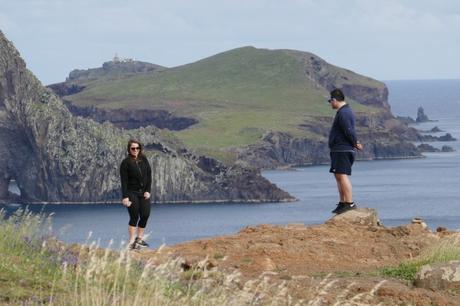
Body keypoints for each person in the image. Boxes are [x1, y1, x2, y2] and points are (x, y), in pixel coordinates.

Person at [327, 89, 363, 214]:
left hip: (343, 149)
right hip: (339, 149)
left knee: (342, 175)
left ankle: (349, 203)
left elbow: (348, 130)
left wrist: (355, 142)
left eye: (330, 101)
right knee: (338, 175)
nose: (330, 104)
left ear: (334, 100)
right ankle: (343, 203)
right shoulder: (342, 112)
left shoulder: (344, 113)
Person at [120, 139, 152, 249]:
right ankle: (132, 241)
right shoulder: (125, 163)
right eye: (133, 148)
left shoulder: (144, 159)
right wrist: (125, 197)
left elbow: (149, 175)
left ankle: (139, 239)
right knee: (134, 216)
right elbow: (123, 181)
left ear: (140, 149)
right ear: (129, 149)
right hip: (131, 192)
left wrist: (148, 190)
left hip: (143, 193)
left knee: (145, 215)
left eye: (137, 148)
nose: (135, 150)